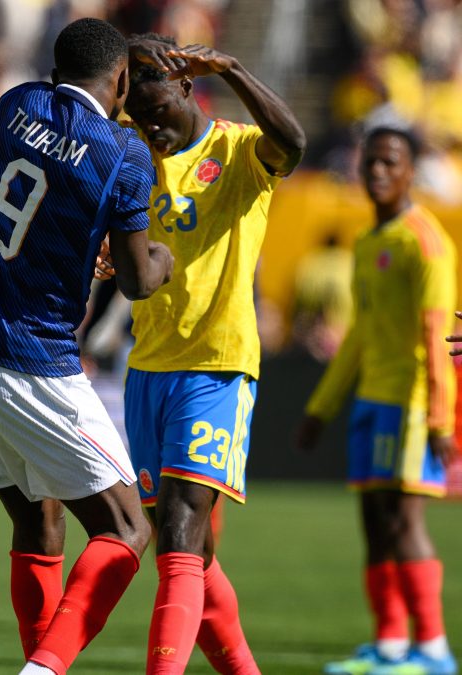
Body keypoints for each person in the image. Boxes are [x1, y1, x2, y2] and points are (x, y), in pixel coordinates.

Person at [0, 18, 174, 675]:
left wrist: (81, 247)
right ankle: (41, 670)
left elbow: (36, 194)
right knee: (127, 528)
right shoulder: (124, 153)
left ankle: (38, 660)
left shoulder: (17, 104)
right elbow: (136, 280)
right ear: (120, 79)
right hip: (29, 359)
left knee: (40, 519)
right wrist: (163, 259)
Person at [120, 33, 306, 674]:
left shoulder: (238, 149)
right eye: (137, 115)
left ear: (184, 86)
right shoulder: (132, 150)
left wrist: (233, 68)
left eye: (156, 112)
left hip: (217, 365)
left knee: (179, 529)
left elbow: (294, 143)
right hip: (147, 367)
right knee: (189, 552)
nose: (150, 127)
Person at [296, 126, 457, 675]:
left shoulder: (425, 243)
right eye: (371, 162)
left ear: (411, 171)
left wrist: (440, 418)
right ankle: (389, 645)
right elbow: (360, 335)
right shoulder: (368, 242)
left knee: (404, 523)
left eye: (391, 162)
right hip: (370, 399)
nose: (378, 172)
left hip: (411, 403)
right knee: (373, 522)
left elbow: (437, 336)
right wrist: (321, 408)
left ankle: (433, 649)